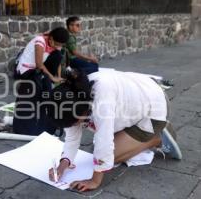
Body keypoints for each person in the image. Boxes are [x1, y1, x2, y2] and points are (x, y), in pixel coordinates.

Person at [46, 68, 182, 192]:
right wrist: (63, 165)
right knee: (100, 156)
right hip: (133, 105)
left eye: (75, 122)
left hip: (154, 109)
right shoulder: (73, 95)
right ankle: (139, 137)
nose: (74, 126)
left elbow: (104, 140)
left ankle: (155, 139)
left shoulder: (101, 98)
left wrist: (94, 180)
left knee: (110, 157)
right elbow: (72, 136)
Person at [13, 27, 69, 136]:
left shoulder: (55, 43)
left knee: (47, 93)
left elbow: (58, 60)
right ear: (51, 38)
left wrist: (57, 77)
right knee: (34, 93)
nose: (57, 46)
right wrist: (52, 78)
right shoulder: (40, 41)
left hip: (37, 71)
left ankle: (46, 125)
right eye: (56, 43)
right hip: (26, 70)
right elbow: (39, 64)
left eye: (60, 44)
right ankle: (27, 128)